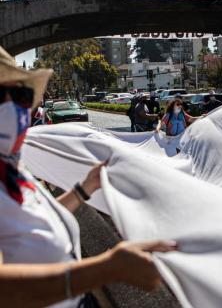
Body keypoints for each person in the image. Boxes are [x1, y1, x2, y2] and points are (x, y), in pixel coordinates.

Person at [0, 46, 177, 308]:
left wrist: (86, 187)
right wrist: (104, 269)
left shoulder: (12, 169)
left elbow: (35, 222)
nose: (17, 107)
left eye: (23, 95)